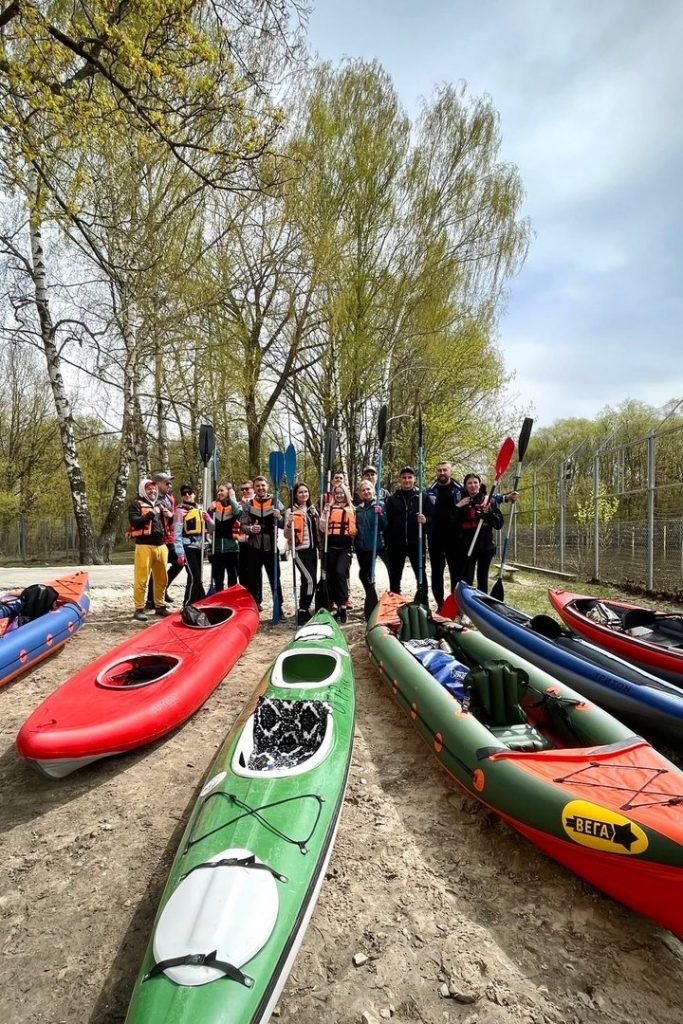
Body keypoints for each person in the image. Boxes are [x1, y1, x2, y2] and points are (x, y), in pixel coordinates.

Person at [128, 479, 172, 622]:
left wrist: (169, 517)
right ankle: (139, 608)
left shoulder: (161, 504)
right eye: (149, 489)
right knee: (141, 579)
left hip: (161, 546)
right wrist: (151, 514)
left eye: (153, 489)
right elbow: (134, 522)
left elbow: (167, 524)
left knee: (162, 578)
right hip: (144, 546)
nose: (152, 491)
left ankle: (160, 605)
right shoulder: (136, 504)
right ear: (143, 490)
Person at [241, 474, 284, 619]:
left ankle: (279, 606)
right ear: (254, 488)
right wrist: (250, 529)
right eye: (257, 486)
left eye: (263, 485)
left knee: (275, 578)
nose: (260, 488)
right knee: (253, 578)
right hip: (254, 546)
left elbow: (285, 523)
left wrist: (279, 516)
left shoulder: (275, 501)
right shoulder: (249, 505)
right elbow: (243, 525)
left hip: (271, 547)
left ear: (267, 487)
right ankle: (255, 604)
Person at [384, 466, 430, 597]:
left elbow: (432, 518)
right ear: (400, 480)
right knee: (395, 575)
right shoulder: (393, 499)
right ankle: (395, 600)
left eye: (410, 477)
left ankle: (422, 599)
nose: (407, 480)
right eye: (404, 478)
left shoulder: (422, 497)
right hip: (396, 544)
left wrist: (426, 519)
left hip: (416, 542)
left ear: (414, 479)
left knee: (420, 574)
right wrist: (388, 541)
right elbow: (387, 521)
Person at [425, 460, 466, 611]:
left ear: (450, 471)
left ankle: (455, 604)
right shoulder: (429, 491)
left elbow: (479, 496)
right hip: (436, 538)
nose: (442, 473)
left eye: (445, 470)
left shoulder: (460, 490)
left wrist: (504, 498)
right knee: (437, 573)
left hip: (455, 538)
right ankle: (440, 604)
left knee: (456, 573)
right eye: (439, 470)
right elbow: (430, 516)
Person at [454, 473, 504, 592]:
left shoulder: (488, 501)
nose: (473, 485)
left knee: (482, 578)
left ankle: (482, 602)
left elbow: (498, 524)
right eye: (469, 483)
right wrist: (458, 507)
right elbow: (451, 522)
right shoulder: (461, 501)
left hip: (485, 546)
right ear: (465, 486)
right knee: (467, 578)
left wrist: (489, 513)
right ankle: (464, 603)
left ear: (479, 484)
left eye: (475, 483)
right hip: (467, 546)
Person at [283, 482, 320, 626]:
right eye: (300, 492)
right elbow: (287, 535)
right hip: (299, 552)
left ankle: (304, 610)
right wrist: (289, 524)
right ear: (295, 495)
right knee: (310, 580)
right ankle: (303, 609)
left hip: (312, 550)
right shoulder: (290, 511)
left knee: (308, 581)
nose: (304, 494)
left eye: (306, 492)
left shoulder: (312, 510)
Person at [320, 484, 357, 623]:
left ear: (346, 494)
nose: (340, 495)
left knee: (340, 573)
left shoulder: (352, 509)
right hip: (331, 547)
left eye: (342, 493)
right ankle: (333, 604)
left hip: (345, 548)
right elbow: (322, 528)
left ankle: (342, 604)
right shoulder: (329, 509)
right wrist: (325, 512)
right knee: (331, 576)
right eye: (337, 493)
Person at [354, 479, 388, 619]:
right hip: (363, 547)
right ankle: (371, 601)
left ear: (373, 490)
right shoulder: (359, 509)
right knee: (365, 575)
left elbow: (385, 526)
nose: (366, 492)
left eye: (368, 489)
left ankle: (386, 601)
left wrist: (380, 514)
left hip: (377, 545)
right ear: (360, 494)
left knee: (366, 574)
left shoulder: (380, 504)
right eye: (363, 490)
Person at [173, 483, 211, 605]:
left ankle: (199, 600)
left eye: (189, 492)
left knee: (196, 577)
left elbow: (207, 530)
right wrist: (179, 553)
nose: (187, 495)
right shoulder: (180, 511)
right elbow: (177, 533)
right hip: (187, 547)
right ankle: (187, 604)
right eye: (184, 493)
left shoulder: (200, 509)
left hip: (199, 548)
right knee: (194, 576)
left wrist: (208, 519)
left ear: (194, 494)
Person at [145, 471, 176, 609]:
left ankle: (163, 588)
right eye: (166, 483)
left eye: (170, 482)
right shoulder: (152, 499)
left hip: (170, 537)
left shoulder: (170, 499)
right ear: (157, 484)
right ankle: (151, 599)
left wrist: (171, 515)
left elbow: (173, 516)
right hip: (157, 539)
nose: (170, 485)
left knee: (179, 562)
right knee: (156, 569)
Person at [209, 482, 241, 591]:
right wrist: (210, 510)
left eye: (222, 490)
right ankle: (219, 598)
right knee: (218, 578)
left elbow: (237, 512)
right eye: (218, 491)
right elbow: (208, 521)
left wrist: (232, 498)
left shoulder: (234, 506)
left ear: (228, 492)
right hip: (217, 549)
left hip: (231, 549)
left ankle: (231, 599)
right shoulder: (215, 505)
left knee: (232, 577)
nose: (219, 493)